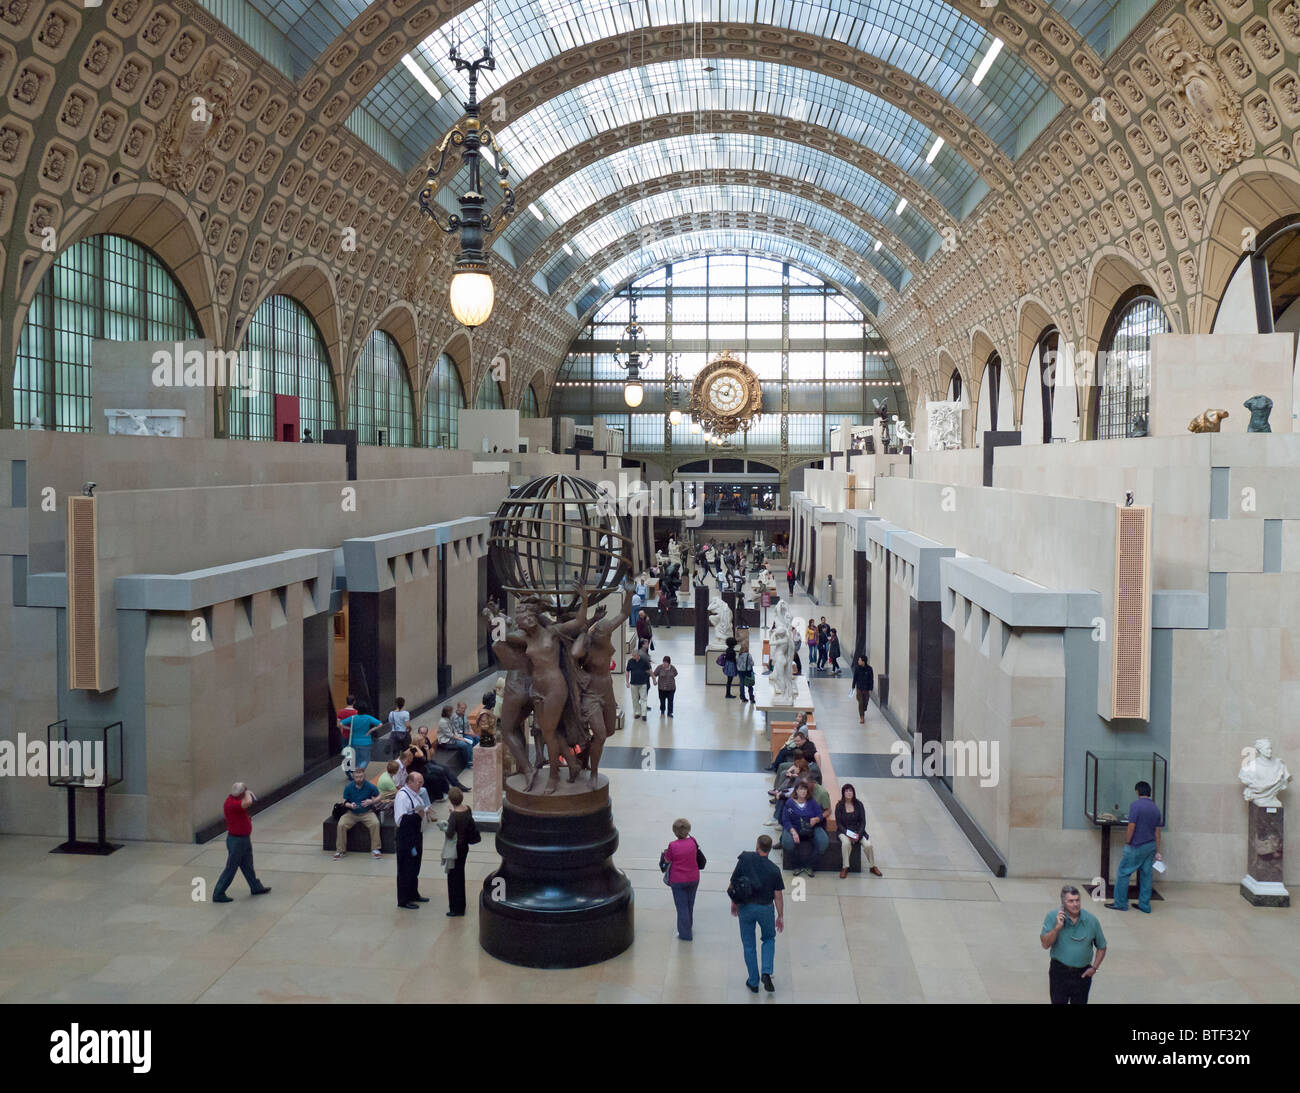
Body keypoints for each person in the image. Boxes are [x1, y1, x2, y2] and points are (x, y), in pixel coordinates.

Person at [729, 835, 785, 994]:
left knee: (749, 945)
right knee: (768, 938)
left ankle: (753, 982)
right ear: (769, 849)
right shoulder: (774, 870)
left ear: (757, 845)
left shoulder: (745, 859)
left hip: (745, 907)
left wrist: (734, 902)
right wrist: (780, 916)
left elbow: (733, 882)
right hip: (765, 909)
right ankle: (766, 972)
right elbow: (778, 896)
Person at [1041, 885, 1107, 1004]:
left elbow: (1102, 947)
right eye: (1071, 901)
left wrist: (1094, 968)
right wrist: (1057, 928)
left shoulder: (1091, 921)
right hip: (1059, 972)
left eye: (1077, 900)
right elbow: (1045, 945)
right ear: (1063, 903)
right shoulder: (1052, 917)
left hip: (1082, 974)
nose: (1075, 904)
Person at [1106, 781, 1163, 914]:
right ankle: (1144, 905)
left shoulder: (1136, 806)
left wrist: (1127, 841)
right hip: (1150, 846)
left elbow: (1131, 826)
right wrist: (1157, 850)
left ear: (1137, 791)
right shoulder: (1155, 808)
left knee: (1123, 872)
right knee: (1146, 876)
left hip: (1136, 845)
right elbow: (1158, 831)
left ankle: (1120, 903)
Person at [213, 782, 272, 903]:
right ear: (241, 794)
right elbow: (248, 802)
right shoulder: (231, 803)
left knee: (248, 866)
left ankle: (255, 887)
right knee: (231, 868)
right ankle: (218, 893)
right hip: (236, 841)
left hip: (243, 839)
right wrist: (248, 793)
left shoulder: (235, 802)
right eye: (243, 792)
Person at [394, 771, 431, 909]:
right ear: (409, 782)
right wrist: (419, 815)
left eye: (422, 782)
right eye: (418, 782)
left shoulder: (416, 794)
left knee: (415, 866)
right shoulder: (402, 797)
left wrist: (423, 811)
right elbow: (401, 820)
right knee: (405, 868)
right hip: (406, 838)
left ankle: (413, 893)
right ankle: (404, 899)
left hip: (416, 835)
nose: (421, 785)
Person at [661, 818, 702, 940]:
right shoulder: (693, 841)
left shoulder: (673, 846)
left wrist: (664, 854)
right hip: (694, 877)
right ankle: (688, 926)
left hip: (678, 880)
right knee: (690, 904)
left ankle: (685, 934)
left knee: (681, 906)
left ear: (675, 832)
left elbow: (667, 861)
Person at [441, 787, 479, 917]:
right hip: (464, 847)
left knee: (453, 878)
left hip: (455, 849)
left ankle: (455, 908)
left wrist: (445, 825)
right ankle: (461, 906)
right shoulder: (467, 809)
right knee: (460, 875)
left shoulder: (454, 816)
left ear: (451, 801)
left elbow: (450, 833)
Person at [780, 781, 828, 877]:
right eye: (801, 789)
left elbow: (820, 815)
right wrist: (793, 832)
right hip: (794, 828)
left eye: (805, 789)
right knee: (787, 842)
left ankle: (809, 865)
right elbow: (785, 820)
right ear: (796, 791)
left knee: (824, 842)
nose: (803, 791)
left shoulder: (812, 802)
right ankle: (796, 865)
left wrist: (817, 819)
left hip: (811, 829)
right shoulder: (789, 803)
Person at [334, 768, 383, 860]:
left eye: (361, 777)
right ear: (353, 777)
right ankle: (340, 850)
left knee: (375, 823)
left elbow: (380, 796)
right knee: (341, 825)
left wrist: (371, 801)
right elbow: (344, 801)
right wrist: (350, 805)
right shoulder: (349, 787)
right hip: (351, 813)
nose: (359, 779)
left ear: (364, 776)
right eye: (357, 777)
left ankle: (375, 849)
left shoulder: (369, 786)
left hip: (366, 813)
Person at [835, 783, 882, 878]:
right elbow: (839, 823)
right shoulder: (839, 806)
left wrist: (858, 834)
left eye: (850, 791)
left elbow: (863, 821)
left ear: (853, 792)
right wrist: (849, 835)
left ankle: (872, 866)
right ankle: (845, 867)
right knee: (846, 844)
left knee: (868, 845)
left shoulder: (859, 804)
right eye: (846, 791)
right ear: (843, 793)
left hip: (858, 831)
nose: (849, 793)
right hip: (844, 831)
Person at [341, 704, 382, 776]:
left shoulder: (353, 718)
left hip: (354, 742)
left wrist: (349, 729)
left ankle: (356, 773)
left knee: (356, 759)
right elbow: (380, 724)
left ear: (357, 711)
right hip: (366, 742)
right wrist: (371, 730)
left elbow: (341, 723)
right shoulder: (368, 718)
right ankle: (359, 772)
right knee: (366, 759)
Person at [437, 704, 475, 769]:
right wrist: (460, 739)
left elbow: (454, 730)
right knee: (464, 744)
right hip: (446, 742)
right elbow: (449, 735)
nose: (452, 713)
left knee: (469, 741)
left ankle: (471, 760)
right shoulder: (442, 721)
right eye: (451, 711)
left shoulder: (449, 719)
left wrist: (460, 737)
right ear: (447, 712)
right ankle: (468, 763)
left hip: (453, 739)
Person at [626, 643, 652, 720]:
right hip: (633, 683)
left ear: (638, 655)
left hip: (643, 683)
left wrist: (653, 678)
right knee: (635, 699)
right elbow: (627, 671)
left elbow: (649, 670)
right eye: (632, 656)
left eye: (634, 656)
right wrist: (627, 682)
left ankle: (644, 714)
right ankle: (637, 713)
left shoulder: (644, 661)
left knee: (643, 698)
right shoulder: (630, 661)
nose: (633, 657)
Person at [850, 654, 874, 723]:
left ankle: (863, 710)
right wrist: (853, 686)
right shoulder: (857, 668)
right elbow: (855, 678)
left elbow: (871, 680)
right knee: (860, 702)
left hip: (866, 689)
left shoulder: (869, 669)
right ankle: (862, 717)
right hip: (859, 688)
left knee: (865, 704)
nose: (858, 661)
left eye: (859, 660)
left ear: (863, 662)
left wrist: (870, 689)